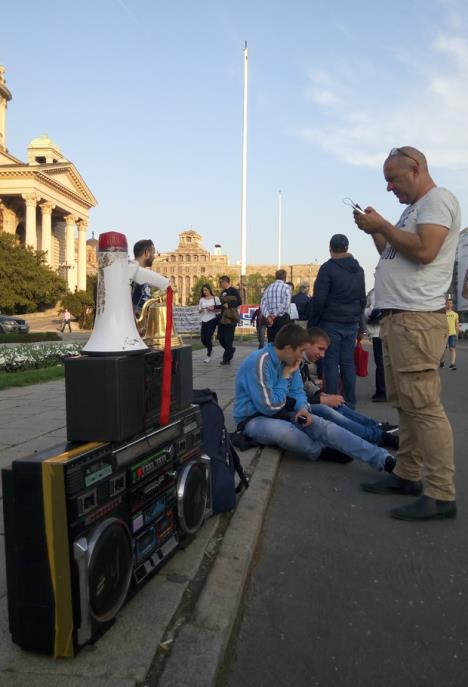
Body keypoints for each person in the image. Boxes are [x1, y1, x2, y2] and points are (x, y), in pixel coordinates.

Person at [353, 146, 460, 521]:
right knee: (407, 404)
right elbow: (393, 253)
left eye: (392, 179)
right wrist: (375, 231)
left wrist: (383, 225)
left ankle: (441, 493)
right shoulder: (414, 209)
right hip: (399, 319)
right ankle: (407, 474)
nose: (388, 188)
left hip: (416, 319)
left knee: (425, 407)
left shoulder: (436, 200)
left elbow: (426, 251)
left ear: (415, 169)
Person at [233, 323, 396, 472]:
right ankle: (320, 450)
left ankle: (383, 459)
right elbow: (269, 407)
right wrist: (285, 377)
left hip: (282, 412)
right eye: (301, 351)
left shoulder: (292, 361)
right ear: (289, 348)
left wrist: (303, 408)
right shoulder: (261, 362)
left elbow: (298, 392)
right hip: (254, 419)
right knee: (286, 433)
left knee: (322, 424)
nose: (302, 356)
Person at [301, 327, 398, 449]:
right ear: (306, 344)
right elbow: (290, 398)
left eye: (324, 350)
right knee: (328, 410)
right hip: (296, 410)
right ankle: (377, 436)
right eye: (320, 349)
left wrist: (321, 394)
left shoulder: (301, 361)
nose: (322, 355)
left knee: (338, 404)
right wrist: (323, 400)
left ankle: (377, 427)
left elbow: (304, 384)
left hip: (335, 325)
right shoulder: (293, 361)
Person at [308, 234, 366, 408]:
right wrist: (359, 323)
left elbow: (319, 299)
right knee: (348, 362)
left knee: (331, 362)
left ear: (330, 248)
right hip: (351, 322)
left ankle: (333, 401)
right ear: (347, 248)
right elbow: (362, 299)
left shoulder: (328, 268)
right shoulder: (359, 270)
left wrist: (313, 323)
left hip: (331, 322)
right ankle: (350, 402)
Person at [131, 239, 167, 315]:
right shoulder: (132, 273)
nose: (154, 257)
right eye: (153, 253)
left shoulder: (144, 275)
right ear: (147, 253)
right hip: (135, 322)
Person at [365, 287, 386, 401]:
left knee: (380, 362)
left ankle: (382, 391)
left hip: (378, 331)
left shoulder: (374, 292)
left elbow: (369, 310)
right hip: (388, 329)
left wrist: (370, 313)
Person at [260, 269, 291, 342]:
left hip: (270, 321)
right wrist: (274, 315)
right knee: (283, 343)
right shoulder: (286, 287)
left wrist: (268, 316)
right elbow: (285, 305)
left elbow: (262, 304)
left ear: (275, 277)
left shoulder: (268, 288)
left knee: (271, 343)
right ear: (285, 278)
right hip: (281, 318)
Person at [217, 276, 242, 365]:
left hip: (231, 318)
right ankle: (230, 349)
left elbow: (239, 301)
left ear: (225, 282)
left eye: (220, 282)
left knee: (228, 339)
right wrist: (215, 307)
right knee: (220, 338)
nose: (220, 284)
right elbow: (221, 304)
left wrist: (229, 305)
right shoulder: (223, 292)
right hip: (223, 317)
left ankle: (226, 359)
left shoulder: (233, 290)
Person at [198, 283, 221, 363]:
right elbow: (199, 309)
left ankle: (208, 355)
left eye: (206, 290)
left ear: (209, 290)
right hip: (204, 319)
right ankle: (211, 349)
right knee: (203, 339)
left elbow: (220, 309)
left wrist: (212, 309)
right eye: (203, 290)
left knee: (208, 337)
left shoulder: (215, 298)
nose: (205, 292)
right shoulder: (201, 299)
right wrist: (200, 310)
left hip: (212, 319)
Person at [440, 297, 460, 370]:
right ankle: (442, 361)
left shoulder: (455, 314)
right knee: (442, 350)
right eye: (448, 303)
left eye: (450, 303)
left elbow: (457, 325)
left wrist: (457, 334)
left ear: (452, 305)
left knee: (452, 349)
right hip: (443, 334)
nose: (449, 304)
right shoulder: (442, 314)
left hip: (452, 334)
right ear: (445, 304)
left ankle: (452, 364)